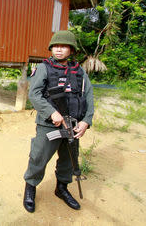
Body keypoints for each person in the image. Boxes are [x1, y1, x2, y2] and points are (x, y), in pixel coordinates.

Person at [23, 30, 94, 213]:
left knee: (69, 160)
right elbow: (34, 94)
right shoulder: (44, 68)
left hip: (73, 125)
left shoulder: (79, 72)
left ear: (71, 49)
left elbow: (88, 97)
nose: (59, 50)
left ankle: (61, 188)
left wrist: (86, 121)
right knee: (39, 157)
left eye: (63, 46)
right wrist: (52, 112)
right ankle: (30, 187)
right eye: (55, 46)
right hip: (50, 125)